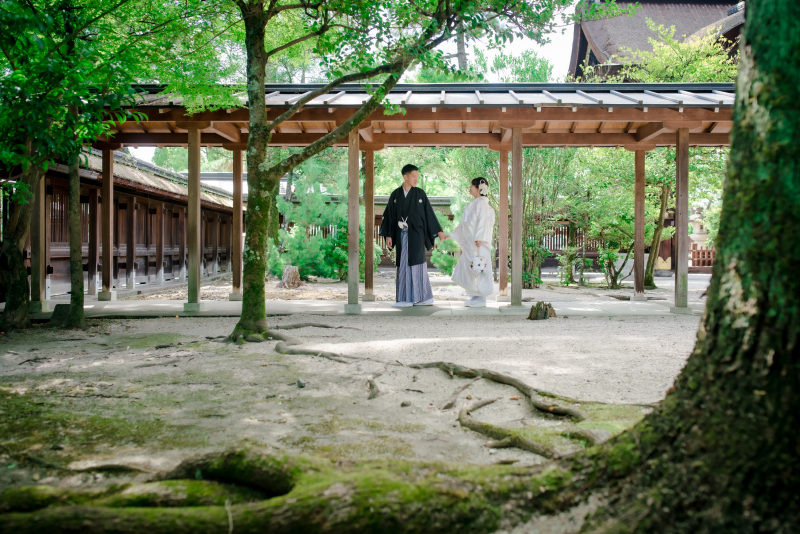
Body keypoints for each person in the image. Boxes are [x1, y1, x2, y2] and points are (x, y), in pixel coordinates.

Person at [379, 164, 447, 307]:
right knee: (404, 263)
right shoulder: (396, 195)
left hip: (416, 235)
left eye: (417, 176)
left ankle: (422, 298)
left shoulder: (420, 194)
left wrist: (439, 232)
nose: (416, 179)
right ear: (405, 176)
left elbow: (429, 214)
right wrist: (389, 236)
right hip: (402, 235)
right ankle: (406, 298)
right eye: (414, 176)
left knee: (418, 264)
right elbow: (389, 216)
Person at [448, 177, 496, 307]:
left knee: (477, 267)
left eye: (472, 186)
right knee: (469, 269)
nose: (469, 188)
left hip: (478, 243)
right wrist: (451, 235)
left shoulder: (482, 204)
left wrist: (480, 237)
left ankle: (481, 298)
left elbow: (483, 221)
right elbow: (466, 225)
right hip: (472, 242)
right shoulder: (474, 203)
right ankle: (475, 296)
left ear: (478, 189)